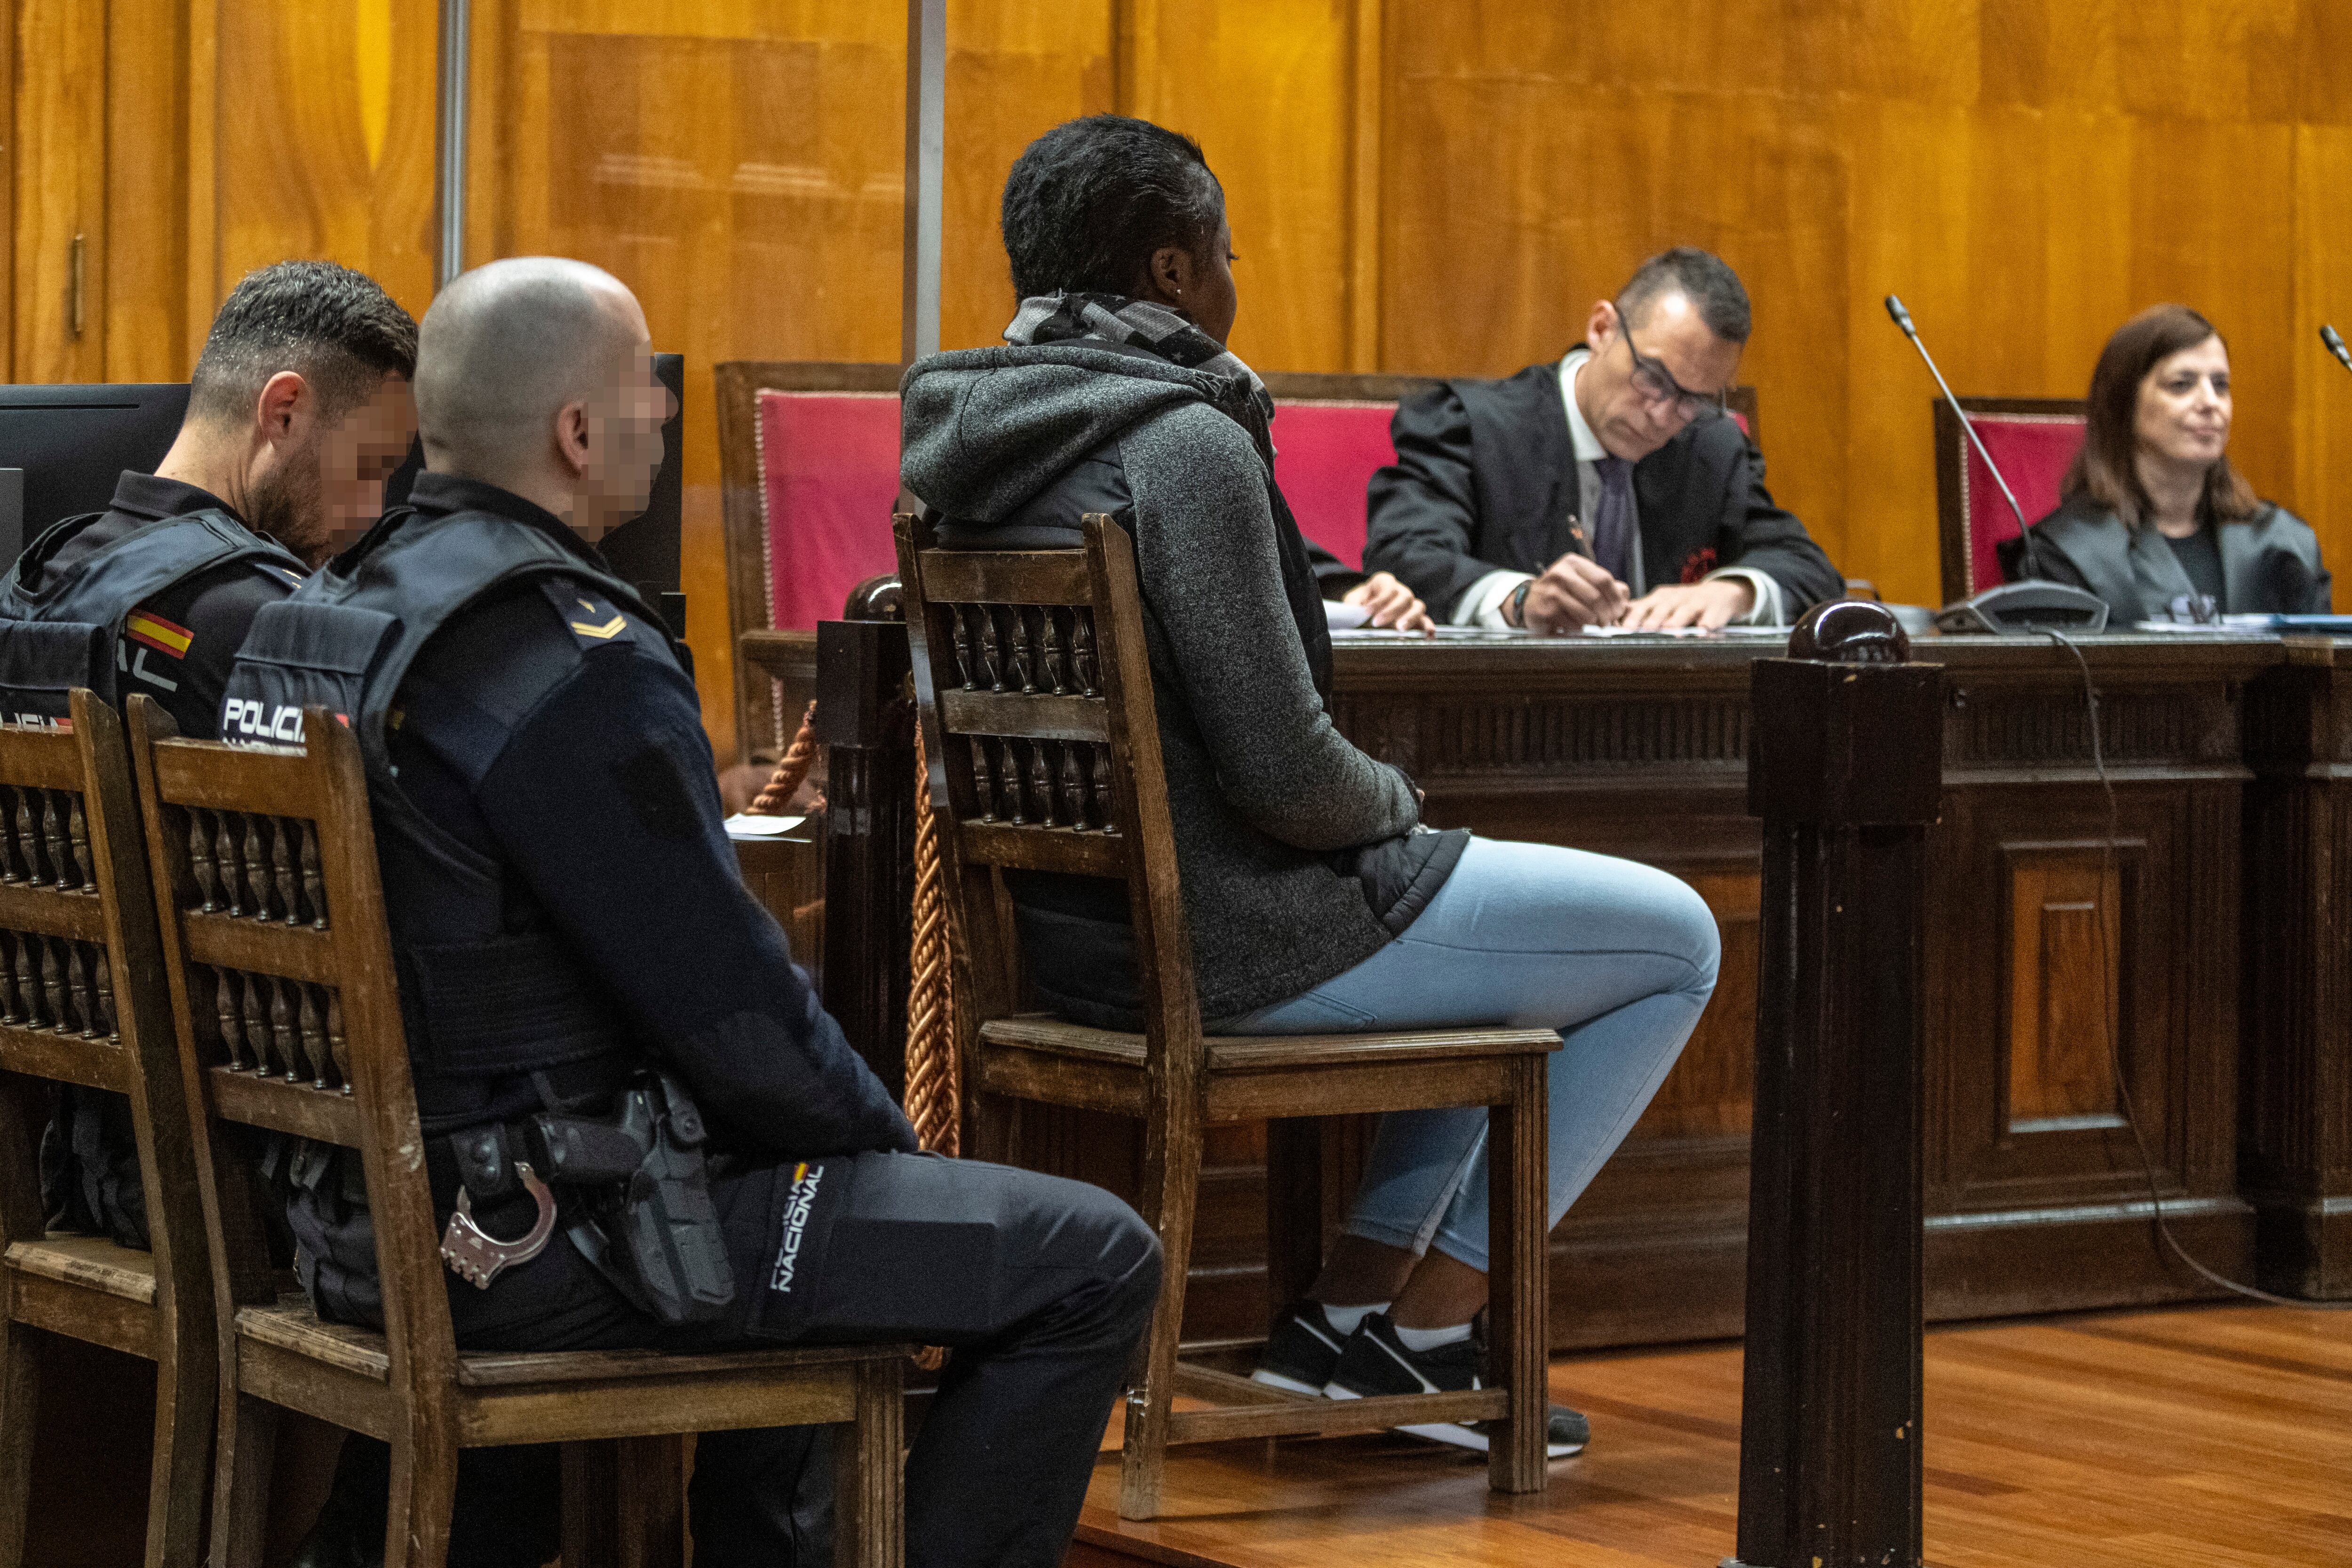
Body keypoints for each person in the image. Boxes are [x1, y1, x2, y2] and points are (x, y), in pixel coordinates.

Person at [225, 256, 1158, 1568]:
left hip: (348, 1220)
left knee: (802, 1204)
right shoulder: (564, 656)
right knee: (1094, 1255)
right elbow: (732, 1007)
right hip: (529, 1244)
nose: (661, 419)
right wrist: (887, 1152)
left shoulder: (304, 621)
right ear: (577, 433)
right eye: (644, 392)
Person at [900, 114, 1719, 1459]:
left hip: (1070, 946)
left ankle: (1331, 1329)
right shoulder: (1182, 439)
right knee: (1675, 937)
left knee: (1517, 951)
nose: (1236, 273)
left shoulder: (966, 437)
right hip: (1239, 936)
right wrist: (1398, 806)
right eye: (1223, 248)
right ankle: (1436, 1328)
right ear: (1171, 273)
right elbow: (1288, 773)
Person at [0, 258, 414, 1251]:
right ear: (283, 411)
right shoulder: (262, 624)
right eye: (367, 469)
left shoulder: (34, 585)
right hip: (241, 1186)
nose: (368, 515)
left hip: (74, 1163)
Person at [1363, 247, 1841, 633]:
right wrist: (1519, 598)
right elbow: (1403, 556)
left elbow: (1809, 568)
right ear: (1601, 329)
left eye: (1692, 399)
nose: (1661, 416)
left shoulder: (1710, 446)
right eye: (1652, 376)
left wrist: (1734, 591)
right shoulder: (1472, 425)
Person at [2016, 304, 2330, 622]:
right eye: (2182, 384)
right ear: (2124, 404)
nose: (2210, 402)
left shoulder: (2284, 544)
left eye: (2220, 385)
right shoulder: (2066, 553)